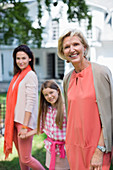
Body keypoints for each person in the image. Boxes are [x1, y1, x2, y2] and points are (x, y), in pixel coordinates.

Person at [57, 28, 113, 170]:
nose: (72, 50)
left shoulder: (100, 72)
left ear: (84, 48)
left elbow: (109, 116)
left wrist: (100, 150)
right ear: (63, 53)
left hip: (97, 147)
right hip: (74, 147)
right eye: (67, 47)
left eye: (76, 44)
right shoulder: (67, 78)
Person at [4, 44, 45, 170]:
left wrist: (25, 127)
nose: (20, 61)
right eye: (18, 58)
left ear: (30, 59)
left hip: (23, 123)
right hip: (15, 121)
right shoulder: (17, 76)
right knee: (22, 157)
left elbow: (30, 102)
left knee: (26, 158)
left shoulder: (30, 75)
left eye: (23, 58)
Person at [19, 80, 70, 170]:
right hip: (51, 149)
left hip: (64, 150)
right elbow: (42, 128)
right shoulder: (46, 110)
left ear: (58, 91)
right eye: (46, 95)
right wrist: (26, 135)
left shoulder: (66, 109)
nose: (49, 96)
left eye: (51, 92)